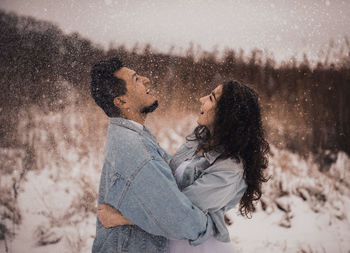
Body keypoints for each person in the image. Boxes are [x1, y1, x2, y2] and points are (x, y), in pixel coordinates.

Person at [98, 80, 270, 253]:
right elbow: (167, 173)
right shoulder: (199, 140)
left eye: (211, 98)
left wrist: (123, 217)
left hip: (201, 246)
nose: (201, 99)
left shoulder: (230, 169)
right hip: (172, 242)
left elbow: (177, 211)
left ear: (227, 113)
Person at [90, 57, 215, 253]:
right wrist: (212, 223)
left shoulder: (130, 136)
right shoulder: (136, 150)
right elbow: (182, 221)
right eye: (136, 79)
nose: (147, 79)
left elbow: (176, 177)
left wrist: (126, 218)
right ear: (122, 101)